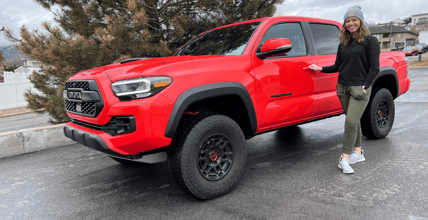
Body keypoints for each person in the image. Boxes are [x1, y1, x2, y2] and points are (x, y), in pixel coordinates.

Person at [308, 5, 380, 174]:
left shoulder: (370, 41)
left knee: (350, 122)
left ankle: (344, 158)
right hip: (343, 87)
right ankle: (358, 152)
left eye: (354, 20)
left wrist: (366, 86)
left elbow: (375, 68)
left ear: (361, 22)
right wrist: (320, 69)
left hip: (359, 89)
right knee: (352, 121)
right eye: (348, 21)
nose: (350, 23)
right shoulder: (344, 43)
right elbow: (337, 66)